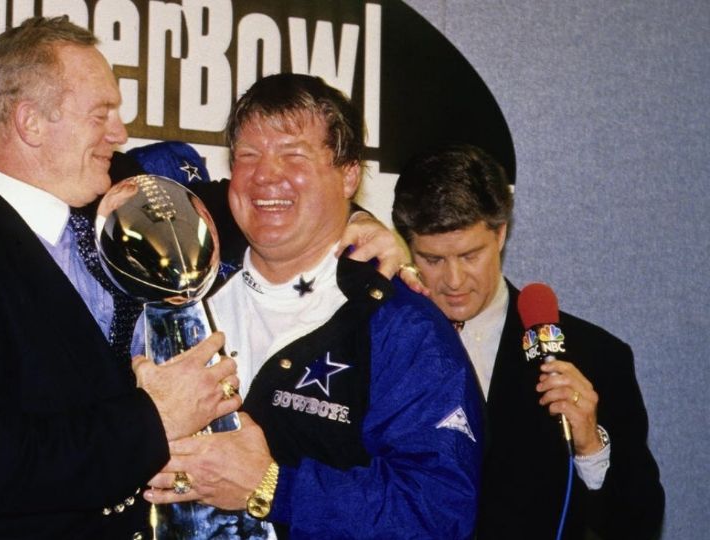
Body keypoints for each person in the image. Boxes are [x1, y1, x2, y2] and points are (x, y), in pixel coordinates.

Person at [0, 17, 242, 538]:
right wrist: (154, 418)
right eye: (102, 115)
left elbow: (247, 208)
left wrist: (354, 224)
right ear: (30, 123)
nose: (119, 134)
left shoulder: (122, 199)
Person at [142, 73, 483, 539]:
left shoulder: (402, 326)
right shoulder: (172, 299)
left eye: (293, 154)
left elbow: (438, 515)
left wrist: (271, 487)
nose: (266, 175)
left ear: (349, 175)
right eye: (248, 155)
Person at [391, 144, 665, 539]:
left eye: (469, 256)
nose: (453, 281)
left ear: (501, 233)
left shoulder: (596, 357)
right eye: (432, 260)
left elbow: (637, 523)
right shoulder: (378, 343)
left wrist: (591, 446)